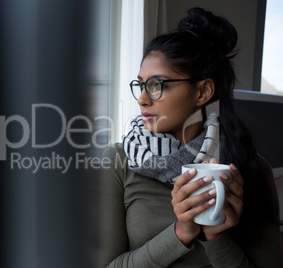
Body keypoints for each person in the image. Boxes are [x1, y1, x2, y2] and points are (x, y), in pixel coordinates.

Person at [99, 7, 282, 267]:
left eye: (156, 86)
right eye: (141, 85)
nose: (142, 99)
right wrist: (180, 233)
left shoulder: (251, 169)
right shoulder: (118, 161)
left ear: (203, 92)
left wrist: (215, 235)